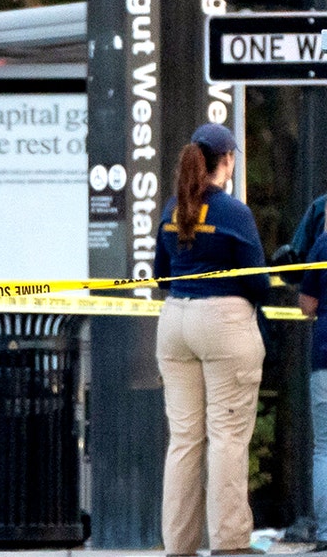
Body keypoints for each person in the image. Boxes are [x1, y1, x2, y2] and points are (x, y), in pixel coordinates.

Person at [153, 122, 269, 557]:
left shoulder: (173, 207)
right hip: (223, 324)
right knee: (226, 436)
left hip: (175, 323)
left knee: (183, 439)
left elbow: (162, 272)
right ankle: (230, 543)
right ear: (227, 160)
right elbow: (255, 281)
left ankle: (178, 546)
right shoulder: (234, 213)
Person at [299, 237, 327, 553]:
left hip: (324, 354)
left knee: (324, 448)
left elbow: (308, 304)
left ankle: (326, 533)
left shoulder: (321, 244)